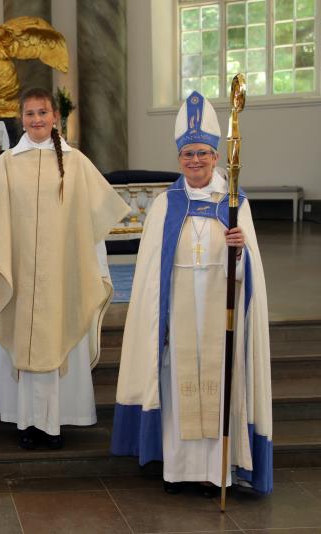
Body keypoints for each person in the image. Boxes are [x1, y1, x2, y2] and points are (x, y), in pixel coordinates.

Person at [111, 91, 272, 495]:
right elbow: (151, 274)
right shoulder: (166, 204)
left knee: (219, 386)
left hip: (220, 314)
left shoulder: (236, 203)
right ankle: (180, 471)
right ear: (179, 158)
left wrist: (241, 253)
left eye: (202, 153)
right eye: (187, 155)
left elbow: (251, 275)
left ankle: (218, 471)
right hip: (178, 317)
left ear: (217, 156)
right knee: (178, 387)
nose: (195, 161)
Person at [0, 87, 130, 450]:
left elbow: (90, 227)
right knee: (22, 334)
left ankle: (56, 420)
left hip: (64, 273)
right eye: (30, 114)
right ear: (20, 119)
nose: (37, 120)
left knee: (60, 330)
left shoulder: (75, 163)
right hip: (19, 273)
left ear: (55, 116)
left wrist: (97, 267)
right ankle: (27, 421)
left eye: (43, 113)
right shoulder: (7, 163)